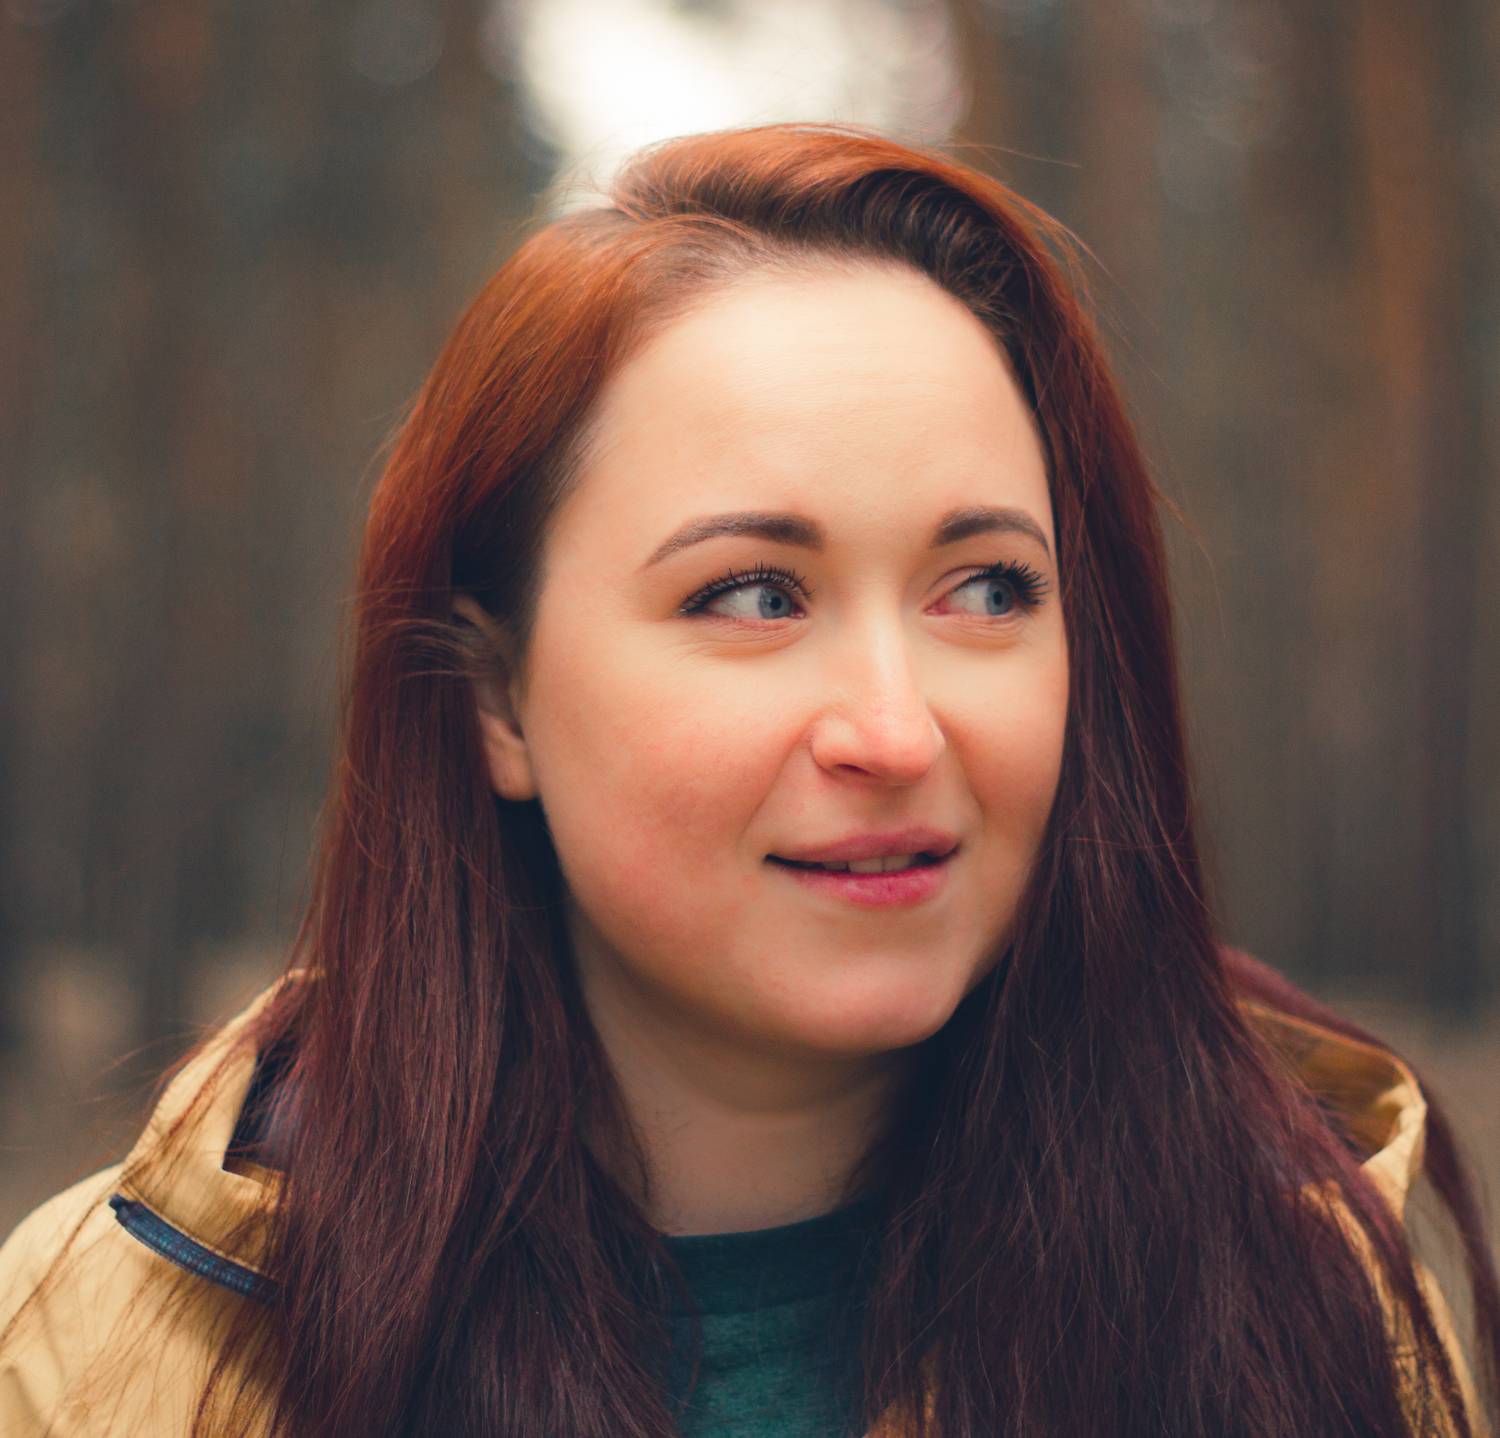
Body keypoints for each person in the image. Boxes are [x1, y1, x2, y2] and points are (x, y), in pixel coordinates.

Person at [0, 119, 1494, 1438]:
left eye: (985, 588)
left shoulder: (1306, 1298)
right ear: (497, 699)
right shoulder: (100, 1358)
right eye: (755, 596)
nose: (896, 732)